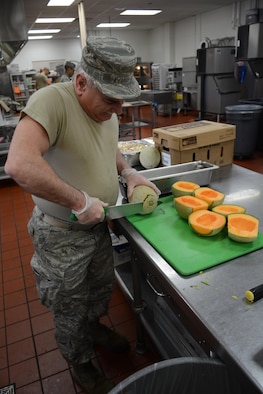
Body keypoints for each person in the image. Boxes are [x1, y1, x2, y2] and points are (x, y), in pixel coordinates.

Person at [5, 36, 160, 394]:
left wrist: (129, 172)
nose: (118, 109)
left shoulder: (106, 107)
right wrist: (78, 201)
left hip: (97, 228)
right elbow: (20, 163)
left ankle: (94, 327)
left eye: (123, 100)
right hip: (61, 235)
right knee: (68, 306)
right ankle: (80, 362)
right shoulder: (51, 101)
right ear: (80, 83)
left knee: (98, 291)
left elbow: (109, 148)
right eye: (111, 100)